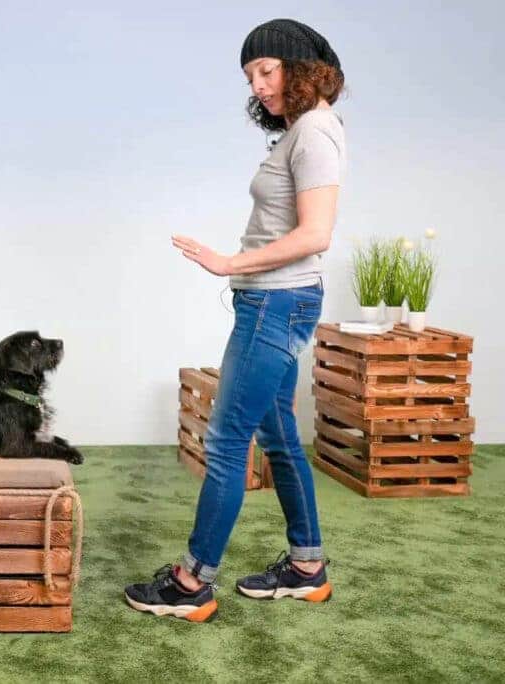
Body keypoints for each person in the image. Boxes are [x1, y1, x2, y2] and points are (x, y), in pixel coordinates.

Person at [124, 18, 347, 623]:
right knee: (276, 435)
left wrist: (231, 263)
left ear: (301, 68)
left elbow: (315, 233)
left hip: (274, 303)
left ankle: (192, 584)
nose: (257, 85)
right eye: (250, 76)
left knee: (225, 443)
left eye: (266, 70)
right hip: (276, 301)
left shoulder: (316, 133)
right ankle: (307, 567)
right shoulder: (302, 131)